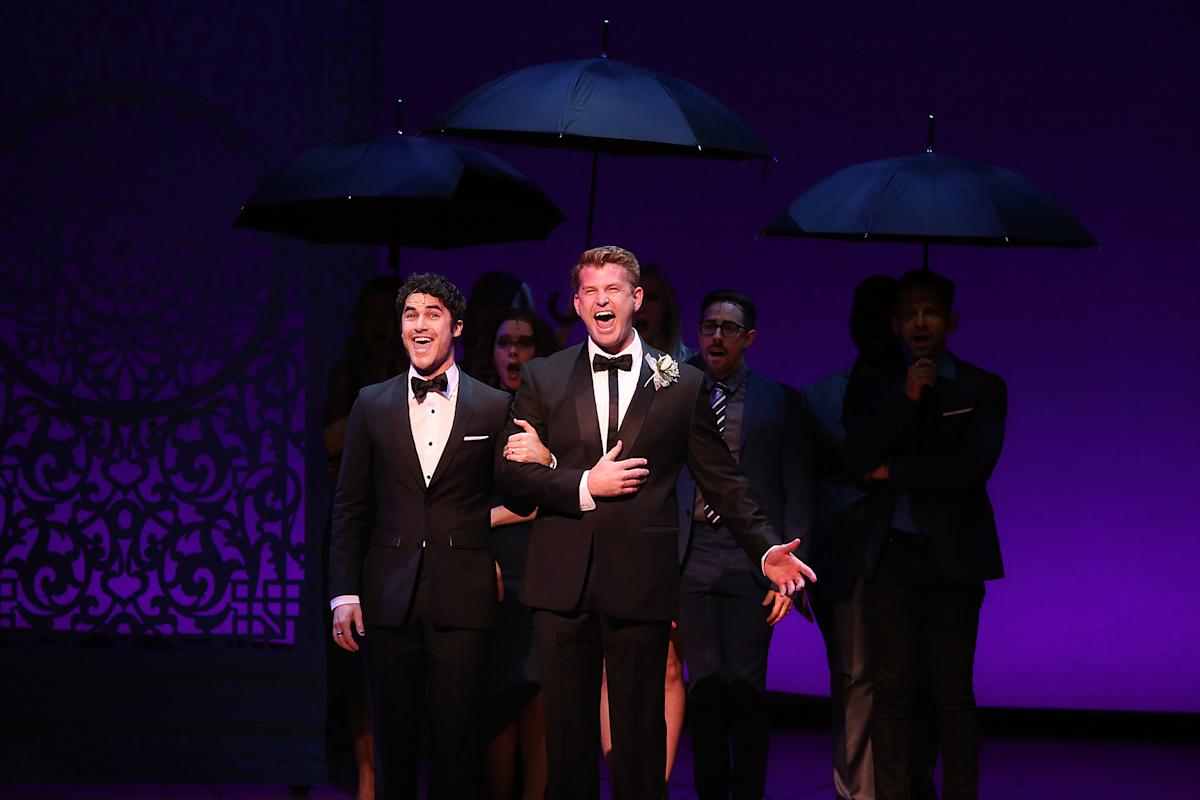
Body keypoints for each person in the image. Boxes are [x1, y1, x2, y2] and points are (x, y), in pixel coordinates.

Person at [496, 245, 816, 800]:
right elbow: (512, 476)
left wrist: (765, 550)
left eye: (613, 290)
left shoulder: (682, 383)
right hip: (560, 583)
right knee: (567, 739)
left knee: (641, 737)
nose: (602, 301)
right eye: (590, 292)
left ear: (636, 300)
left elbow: (723, 480)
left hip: (640, 581)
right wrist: (578, 484)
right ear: (576, 303)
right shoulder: (544, 376)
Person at [329, 273, 513, 799]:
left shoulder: (492, 406)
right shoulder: (372, 403)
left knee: (458, 748)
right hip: (389, 597)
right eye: (410, 313)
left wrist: (544, 464)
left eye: (432, 313)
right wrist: (344, 592)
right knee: (395, 746)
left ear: (456, 326)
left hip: (463, 594)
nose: (419, 324)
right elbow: (350, 506)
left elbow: (518, 495)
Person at [843, 269, 1007, 800]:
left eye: (931, 312)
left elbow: (971, 469)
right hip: (891, 557)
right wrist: (908, 397)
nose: (920, 322)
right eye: (910, 313)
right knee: (893, 693)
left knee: (952, 694)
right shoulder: (874, 386)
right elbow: (859, 460)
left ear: (950, 321)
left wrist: (897, 472)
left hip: (953, 557)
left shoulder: (982, 387)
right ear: (893, 323)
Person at [675, 289, 815, 800]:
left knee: (746, 687)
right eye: (709, 325)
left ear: (749, 339)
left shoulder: (780, 401)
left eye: (728, 328)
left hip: (752, 558)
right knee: (705, 686)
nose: (716, 335)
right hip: (692, 556)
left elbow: (797, 491)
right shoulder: (676, 392)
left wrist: (791, 573)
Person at [801, 275, 901, 800]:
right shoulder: (821, 398)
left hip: (911, 550)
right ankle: (857, 792)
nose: (874, 328)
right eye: (864, 316)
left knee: (911, 679)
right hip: (847, 555)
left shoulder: (927, 388)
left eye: (887, 315)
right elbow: (809, 483)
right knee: (854, 675)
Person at [320, 275, 406, 800]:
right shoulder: (350, 378)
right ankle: (365, 777)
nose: (379, 325)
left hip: (401, 532)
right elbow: (329, 439)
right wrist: (373, 400)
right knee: (353, 668)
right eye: (370, 314)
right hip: (358, 528)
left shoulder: (422, 376)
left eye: (387, 314)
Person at [470, 309, 558, 800]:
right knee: (497, 696)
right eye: (506, 342)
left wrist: (482, 518)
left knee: (538, 690)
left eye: (525, 343)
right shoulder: (477, 408)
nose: (514, 352)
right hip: (489, 565)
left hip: (541, 559)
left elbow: (559, 490)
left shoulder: (554, 410)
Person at [633, 262, 697, 364]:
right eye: (634, 298)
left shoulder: (695, 366)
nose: (640, 308)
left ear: (667, 306)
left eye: (651, 298)